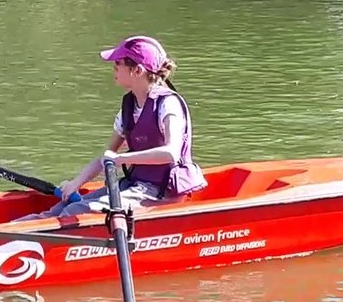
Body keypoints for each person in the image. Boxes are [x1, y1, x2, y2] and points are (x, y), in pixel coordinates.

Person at [18, 35, 207, 220]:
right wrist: (75, 184)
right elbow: (105, 157)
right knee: (64, 207)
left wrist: (120, 159)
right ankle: (11, 233)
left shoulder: (168, 105)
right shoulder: (129, 106)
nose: (113, 67)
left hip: (162, 191)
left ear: (137, 71)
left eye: (118, 64)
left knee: (75, 211)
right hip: (135, 185)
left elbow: (171, 153)